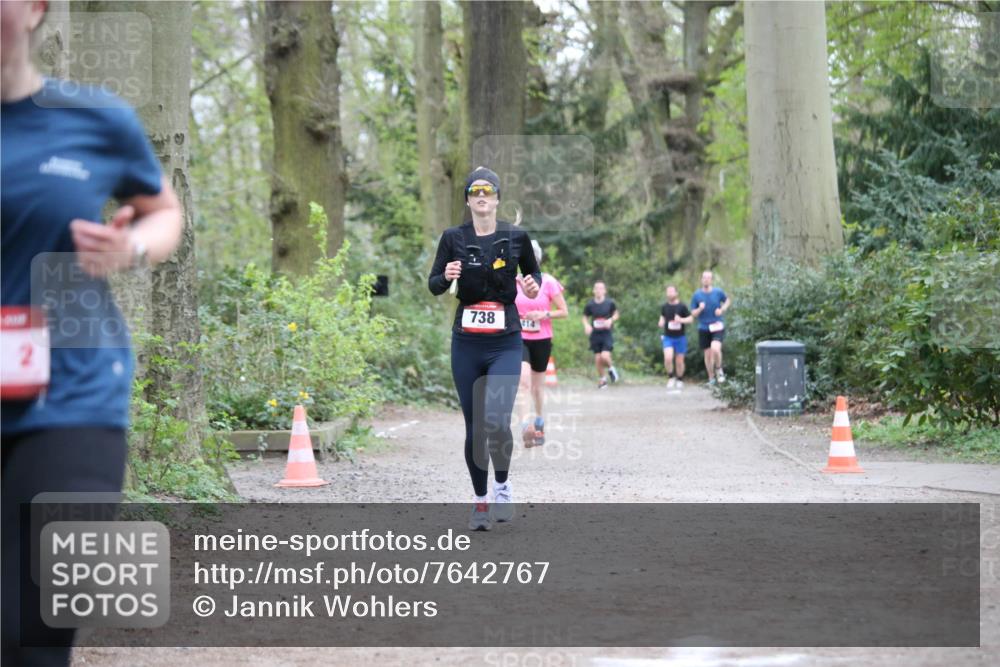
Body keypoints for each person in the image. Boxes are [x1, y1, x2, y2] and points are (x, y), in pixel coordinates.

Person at [1, 2, 183, 664]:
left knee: (30, 631)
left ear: (33, 9)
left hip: (72, 397)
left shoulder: (92, 119)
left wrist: (129, 247)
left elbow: (161, 209)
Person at [428, 166, 541, 531]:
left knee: (496, 418)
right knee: (475, 425)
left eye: (488, 192)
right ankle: (479, 501)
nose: (481, 197)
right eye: (475, 192)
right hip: (467, 341)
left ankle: (502, 487)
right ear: (468, 199)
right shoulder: (452, 238)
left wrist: (532, 287)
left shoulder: (516, 237)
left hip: (505, 339)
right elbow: (433, 284)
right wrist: (445, 277)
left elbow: (533, 275)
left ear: (496, 199)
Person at [514, 240, 568, 447]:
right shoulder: (512, 282)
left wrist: (544, 314)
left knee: (537, 387)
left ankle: (539, 420)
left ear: (537, 260)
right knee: (523, 381)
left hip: (542, 339)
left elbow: (564, 311)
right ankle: (525, 426)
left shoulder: (548, 282)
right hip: (518, 338)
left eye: (533, 258)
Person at [690, 270, 731, 385]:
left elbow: (727, 300)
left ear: (712, 280)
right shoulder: (697, 295)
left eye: (708, 278)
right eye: (704, 277)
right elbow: (693, 313)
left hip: (717, 325)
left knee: (715, 348)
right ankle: (711, 378)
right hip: (703, 327)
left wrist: (722, 309)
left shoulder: (718, 292)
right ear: (701, 279)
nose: (706, 279)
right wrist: (699, 309)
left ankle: (719, 369)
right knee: (707, 354)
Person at [582, 280, 619, 389]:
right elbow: (585, 317)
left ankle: (612, 369)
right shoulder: (590, 304)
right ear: (593, 291)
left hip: (606, 334)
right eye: (596, 288)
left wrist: (611, 320)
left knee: (605, 355)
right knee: (598, 358)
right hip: (595, 334)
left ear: (605, 291)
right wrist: (586, 325)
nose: (598, 290)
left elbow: (616, 314)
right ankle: (603, 380)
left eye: (601, 288)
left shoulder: (610, 303)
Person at [657, 285, 693, 391]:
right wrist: (661, 322)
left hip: (680, 337)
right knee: (668, 358)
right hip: (668, 337)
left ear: (676, 293)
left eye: (672, 291)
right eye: (668, 291)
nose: (670, 293)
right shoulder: (664, 307)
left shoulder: (682, 306)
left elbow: (690, 319)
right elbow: (662, 317)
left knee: (679, 361)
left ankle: (680, 379)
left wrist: (681, 320)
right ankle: (671, 377)